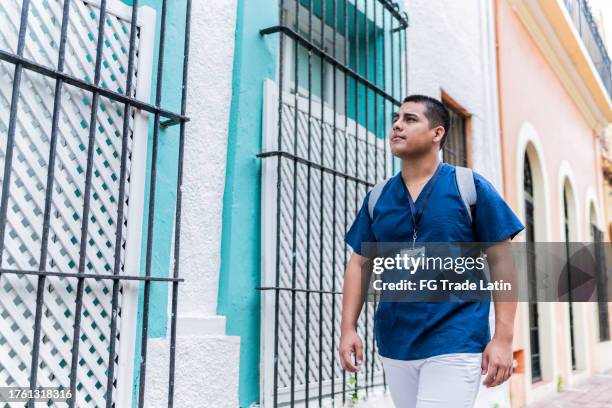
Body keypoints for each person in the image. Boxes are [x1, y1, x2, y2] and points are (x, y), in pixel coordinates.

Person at [338, 94, 525, 408]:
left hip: (455, 337)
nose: (397, 125)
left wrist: (504, 338)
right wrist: (348, 328)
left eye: (410, 119)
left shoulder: (469, 187)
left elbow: (503, 262)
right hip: (395, 342)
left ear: (437, 133)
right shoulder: (378, 197)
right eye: (396, 119)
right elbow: (359, 264)